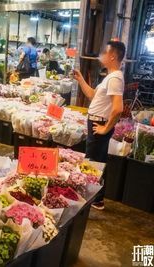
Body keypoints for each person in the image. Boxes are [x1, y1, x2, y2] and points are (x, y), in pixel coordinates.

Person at [73, 41, 125, 210]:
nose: (101, 55)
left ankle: (91, 198)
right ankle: (97, 199)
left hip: (99, 124)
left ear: (113, 56)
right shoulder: (110, 77)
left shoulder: (115, 77)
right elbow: (92, 95)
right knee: (97, 161)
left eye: (105, 52)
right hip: (96, 122)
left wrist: (105, 128)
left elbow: (118, 109)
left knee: (92, 162)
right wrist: (80, 78)